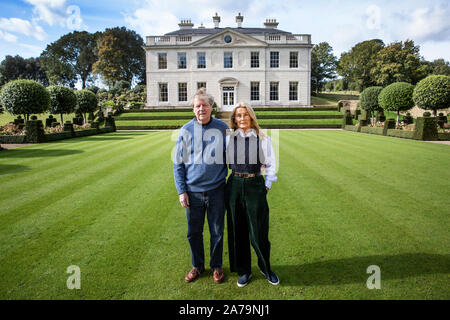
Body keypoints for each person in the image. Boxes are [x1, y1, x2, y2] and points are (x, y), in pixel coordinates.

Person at [173, 88, 229, 284]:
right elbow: (178, 163)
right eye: (197, 106)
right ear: (193, 109)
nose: (201, 109)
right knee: (193, 232)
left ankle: (216, 267)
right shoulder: (186, 130)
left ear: (211, 107)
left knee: (217, 231)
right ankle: (197, 266)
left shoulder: (222, 127)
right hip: (193, 192)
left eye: (205, 105)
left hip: (216, 191)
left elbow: (233, 154)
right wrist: (181, 191)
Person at [225, 102, 279, 287]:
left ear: (251, 117)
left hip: (255, 185)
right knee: (237, 231)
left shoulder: (263, 139)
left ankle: (266, 268)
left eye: (245, 115)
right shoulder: (228, 139)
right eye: (238, 115)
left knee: (259, 231)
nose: (242, 118)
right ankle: (244, 271)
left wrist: (267, 185)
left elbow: (271, 164)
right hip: (234, 185)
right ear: (234, 119)